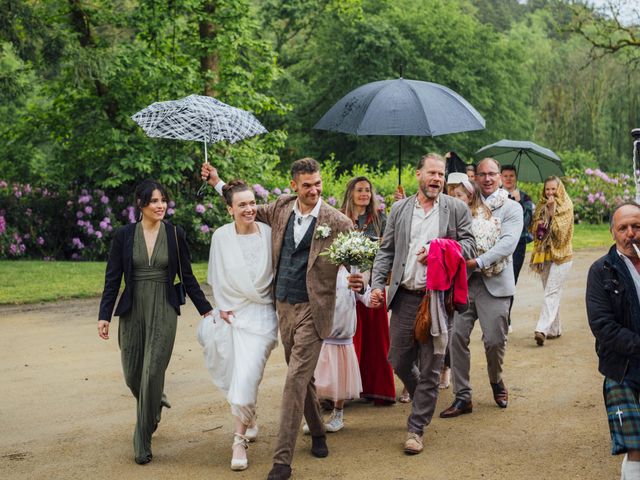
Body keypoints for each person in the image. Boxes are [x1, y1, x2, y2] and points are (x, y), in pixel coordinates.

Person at [201, 158, 353, 480]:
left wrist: (363, 281)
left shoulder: (337, 221)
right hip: (283, 309)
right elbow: (243, 207)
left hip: (314, 312)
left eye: (318, 183)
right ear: (294, 185)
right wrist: (217, 182)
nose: (314, 190)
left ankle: (282, 462)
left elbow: (359, 258)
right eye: (307, 185)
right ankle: (318, 432)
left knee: (294, 381)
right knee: (303, 381)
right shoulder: (281, 208)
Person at [97, 179, 212, 465]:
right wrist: (104, 315)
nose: (160, 206)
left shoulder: (175, 234)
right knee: (133, 374)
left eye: (163, 200)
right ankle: (154, 400)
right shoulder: (124, 236)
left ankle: (143, 439)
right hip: (132, 309)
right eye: (154, 201)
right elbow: (113, 278)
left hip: (163, 306)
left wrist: (206, 310)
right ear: (141, 204)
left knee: (151, 372)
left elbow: (187, 276)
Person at [370, 152, 476, 454]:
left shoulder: (456, 209)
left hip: (439, 300)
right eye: (431, 173)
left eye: (441, 175)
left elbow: (470, 245)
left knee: (431, 367)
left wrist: (437, 248)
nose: (437, 179)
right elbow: (386, 251)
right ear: (418, 175)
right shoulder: (400, 209)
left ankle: (416, 429)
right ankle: (423, 400)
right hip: (405, 296)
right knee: (398, 359)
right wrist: (378, 285)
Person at [197, 180, 278, 471]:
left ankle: (238, 440)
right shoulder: (220, 237)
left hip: (262, 315)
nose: (249, 208)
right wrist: (223, 308)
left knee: (247, 374)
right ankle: (249, 417)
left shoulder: (269, 234)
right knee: (236, 374)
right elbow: (216, 277)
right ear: (229, 208)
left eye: (252, 202)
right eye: (242, 204)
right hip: (233, 313)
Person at [440, 158, 522, 419]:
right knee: (455, 339)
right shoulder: (462, 205)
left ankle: (496, 380)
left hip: (495, 285)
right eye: (482, 174)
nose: (487, 179)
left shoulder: (511, 208)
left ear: (500, 177)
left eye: (492, 174)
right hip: (463, 284)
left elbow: (508, 244)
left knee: (494, 341)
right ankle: (462, 396)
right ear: (474, 177)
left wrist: (477, 262)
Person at [586, 202, 640, 480]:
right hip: (622, 366)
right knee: (636, 446)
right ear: (613, 233)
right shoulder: (601, 271)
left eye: (637, 226)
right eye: (623, 228)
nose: (631, 233)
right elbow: (603, 326)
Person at [341, 176, 396, 405]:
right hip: (344, 285)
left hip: (373, 282)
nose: (365, 194)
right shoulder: (339, 217)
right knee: (347, 337)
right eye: (360, 190)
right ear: (351, 193)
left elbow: (388, 248)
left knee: (376, 338)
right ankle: (342, 391)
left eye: (368, 190)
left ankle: (377, 388)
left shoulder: (380, 219)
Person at [303, 266, 370, 433]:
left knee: (340, 377)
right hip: (321, 333)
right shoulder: (318, 270)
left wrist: (372, 297)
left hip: (343, 335)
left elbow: (363, 293)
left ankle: (338, 414)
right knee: (317, 378)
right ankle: (315, 415)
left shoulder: (351, 271)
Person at [529, 176, 574, 346]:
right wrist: (543, 217)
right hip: (545, 255)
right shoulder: (541, 205)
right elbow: (534, 229)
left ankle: (541, 329)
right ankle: (554, 329)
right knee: (550, 291)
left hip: (562, 256)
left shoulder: (566, 206)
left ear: (559, 189)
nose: (550, 193)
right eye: (547, 189)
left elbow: (560, 233)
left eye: (553, 189)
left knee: (551, 292)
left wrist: (551, 213)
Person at [501, 165, 534, 331]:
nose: (508, 178)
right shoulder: (495, 196)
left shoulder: (525, 197)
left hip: (518, 243)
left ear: (515, 178)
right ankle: (498, 316)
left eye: (511, 176)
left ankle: (506, 316)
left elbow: (527, 221)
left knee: (511, 279)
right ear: (500, 177)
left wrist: (518, 202)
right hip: (498, 242)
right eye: (505, 175)